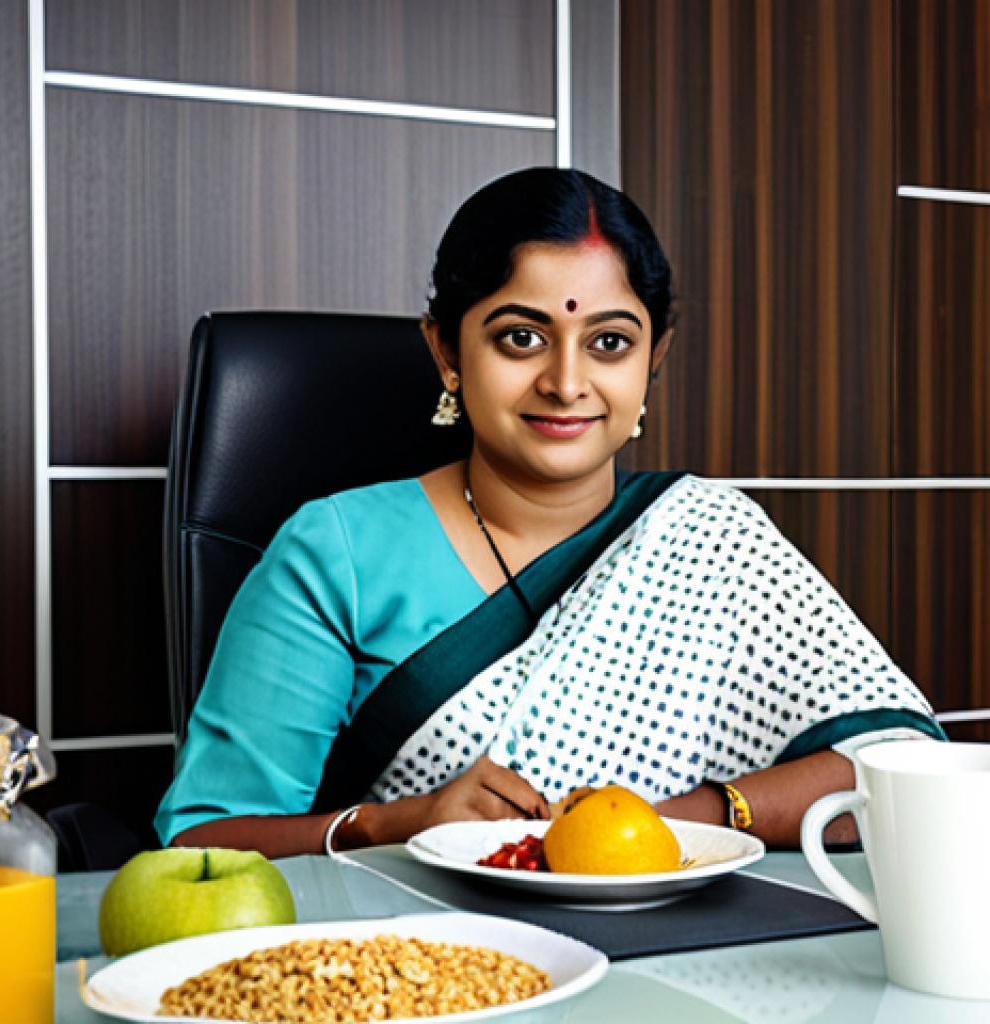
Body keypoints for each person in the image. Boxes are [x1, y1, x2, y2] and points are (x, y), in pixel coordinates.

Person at [155, 168, 943, 858]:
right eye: (522, 337)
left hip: (692, 954)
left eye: (609, 343)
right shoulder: (339, 552)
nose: (567, 383)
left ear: (653, 357)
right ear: (447, 353)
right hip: (440, 967)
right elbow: (200, 841)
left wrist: (667, 829)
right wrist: (396, 823)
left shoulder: (712, 538)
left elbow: (901, 767)